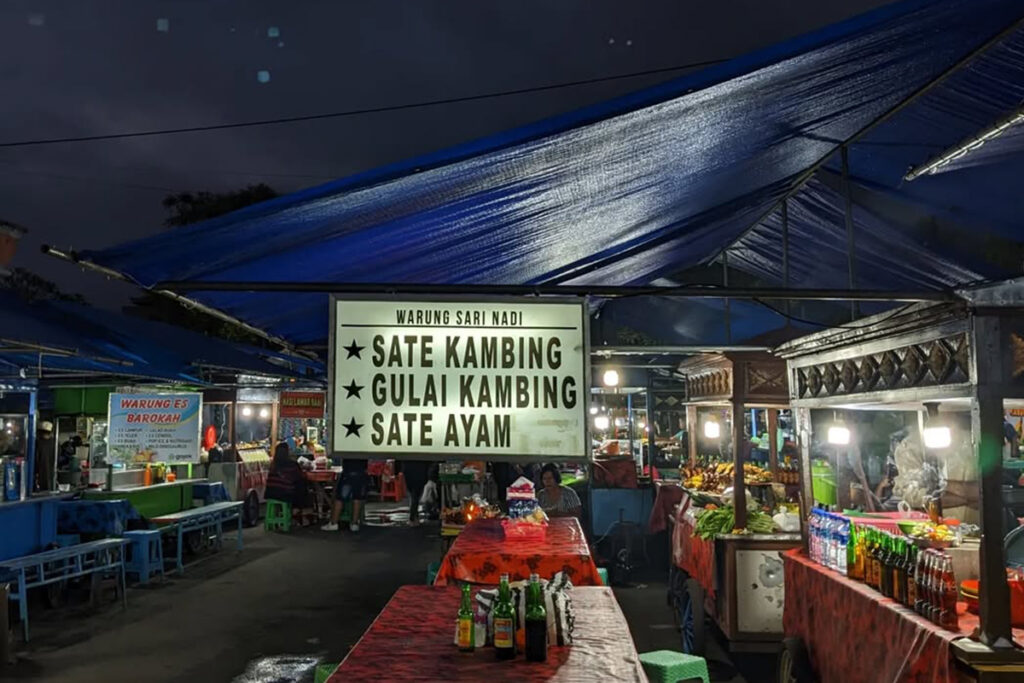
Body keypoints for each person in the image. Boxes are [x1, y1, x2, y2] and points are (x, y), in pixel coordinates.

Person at [265, 442, 314, 526]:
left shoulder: (273, 465)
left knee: (297, 487)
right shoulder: (292, 464)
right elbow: (300, 476)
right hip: (284, 494)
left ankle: (294, 513)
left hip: (270, 493)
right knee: (302, 487)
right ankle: (298, 512)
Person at [322, 456, 368, 533]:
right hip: (361, 472)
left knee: (340, 498)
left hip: (348, 472)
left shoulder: (347, 447)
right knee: (357, 498)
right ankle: (354, 524)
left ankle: (334, 523)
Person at [398, 460, 431, 526]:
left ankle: (414, 518)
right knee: (415, 496)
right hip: (420, 470)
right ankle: (413, 518)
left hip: (409, 470)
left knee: (413, 496)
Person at [33, 421, 55, 492]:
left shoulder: (37, 443)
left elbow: (35, 459)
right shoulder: (55, 443)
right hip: (52, 474)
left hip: (40, 474)